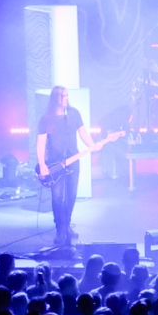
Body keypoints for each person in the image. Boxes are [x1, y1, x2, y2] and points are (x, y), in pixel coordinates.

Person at [36, 85, 101, 249]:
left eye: (66, 96)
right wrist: (42, 164)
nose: (66, 98)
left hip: (73, 160)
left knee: (71, 195)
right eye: (62, 96)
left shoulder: (73, 114)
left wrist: (92, 145)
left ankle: (67, 225)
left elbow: (83, 133)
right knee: (57, 197)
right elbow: (41, 143)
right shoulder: (46, 119)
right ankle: (60, 229)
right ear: (55, 98)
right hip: (55, 163)